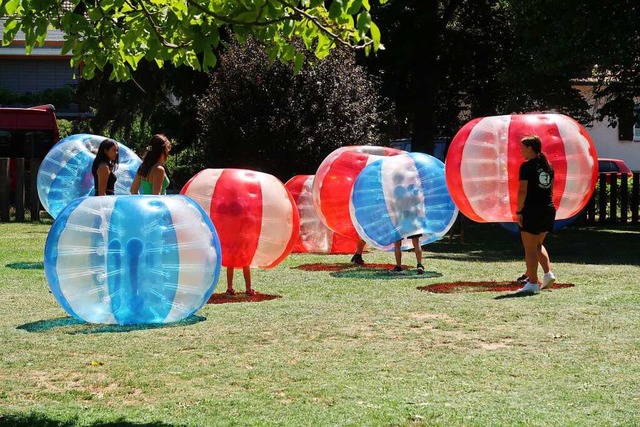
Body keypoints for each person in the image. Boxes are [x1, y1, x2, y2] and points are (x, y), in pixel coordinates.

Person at [516, 135, 557, 294]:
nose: (521, 151)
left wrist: (519, 211)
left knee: (530, 248)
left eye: (522, 148)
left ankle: (532, 283)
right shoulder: (548, 166)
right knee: (538, 245)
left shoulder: (526, 167)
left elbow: (522, 191)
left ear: (530, 148)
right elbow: (551, 190)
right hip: (548, 209)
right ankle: (548, 274)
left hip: (532, 210)